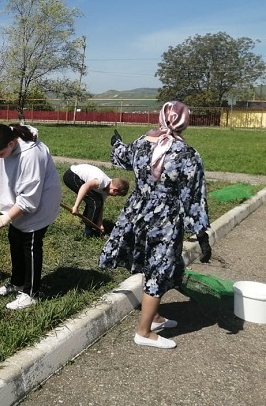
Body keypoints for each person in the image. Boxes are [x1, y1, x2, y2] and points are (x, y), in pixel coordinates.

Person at [99, 101, 212, 349]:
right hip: (166, 218)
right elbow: (194, 196)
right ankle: (143, 332)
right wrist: (201, 231)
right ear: (184, 121)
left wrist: (116, 143)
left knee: (148, 264)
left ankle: (155, 317)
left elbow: (122, 156)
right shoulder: (187, 155)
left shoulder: (142, 141)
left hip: (138, 212)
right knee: (159, 269)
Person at [0, 124, 62, 310]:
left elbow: (29, 200)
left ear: (11, 143)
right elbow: (6, 170)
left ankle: (31, 293)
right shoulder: (7, 145)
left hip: (40, 204)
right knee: (15, 239)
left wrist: (5, 218)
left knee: (31, 246)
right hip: (20, 203)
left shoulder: (32, 155)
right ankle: (17, 283)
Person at [63, 164, 129, 237]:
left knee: (96, 202)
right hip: (72, 175)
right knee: (94, 202)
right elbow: (85, 187)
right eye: (117, 195)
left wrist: (100, 224)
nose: (115, 196)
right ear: (115, 190)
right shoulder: (101, 181)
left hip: (78, 177)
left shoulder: (105, 191)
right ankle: (88, 231)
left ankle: (87, 222)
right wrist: (76, 207)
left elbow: (100, 207)